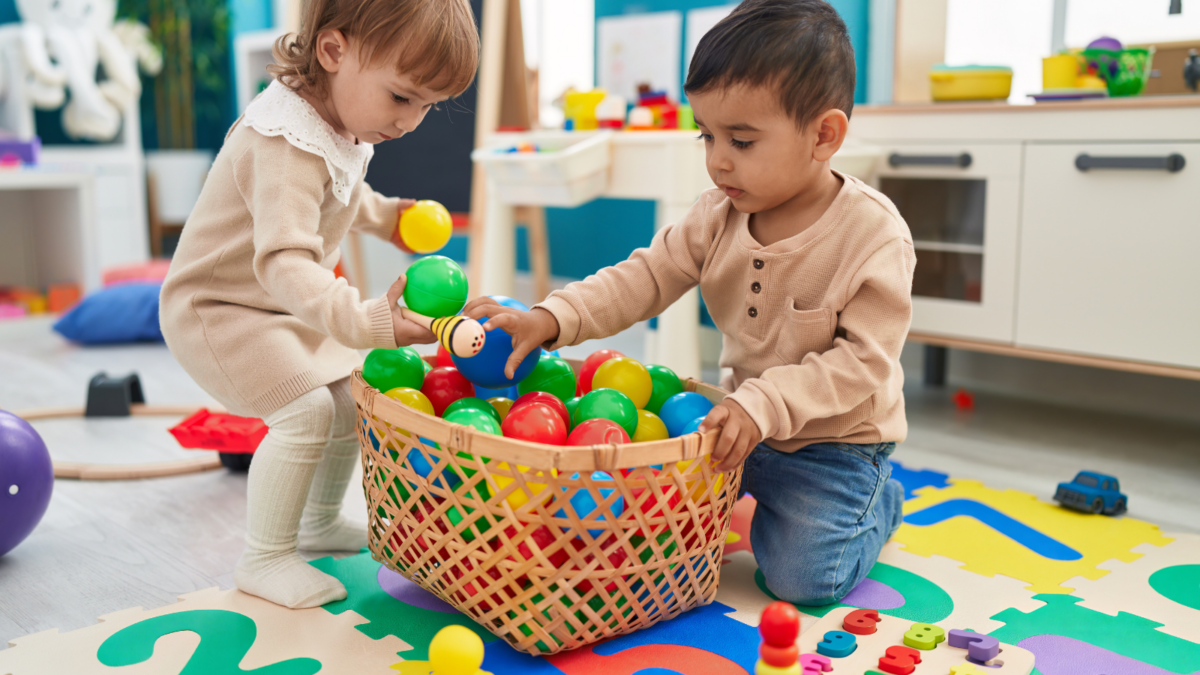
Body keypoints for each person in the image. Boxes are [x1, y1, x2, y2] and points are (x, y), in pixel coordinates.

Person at [464, 0, 913, 606]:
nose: (717, 159)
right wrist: (553, 318)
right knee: (626, 526)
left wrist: (765, 403)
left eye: (742, 140)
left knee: (804, 579)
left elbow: (863, 365)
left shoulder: (873, 235)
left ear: (824, 135)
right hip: (732, 428)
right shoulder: (717, 214)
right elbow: (643, 278)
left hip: (833, 446)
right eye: (707, 135)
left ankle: (879, 501)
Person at [159, 0, 478, 608]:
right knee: (305, 412)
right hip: (218, 309)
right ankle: (265, 557)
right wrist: (367, 321)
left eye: (428, 106)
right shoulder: (284, 142)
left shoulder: (333, 120)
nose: (411, 122)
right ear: (333, 52)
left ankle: (319, 521)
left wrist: (391, 220)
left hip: (272, 310)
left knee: (346, 396)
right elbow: (285, 262)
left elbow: (342, 190)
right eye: (403, 98)